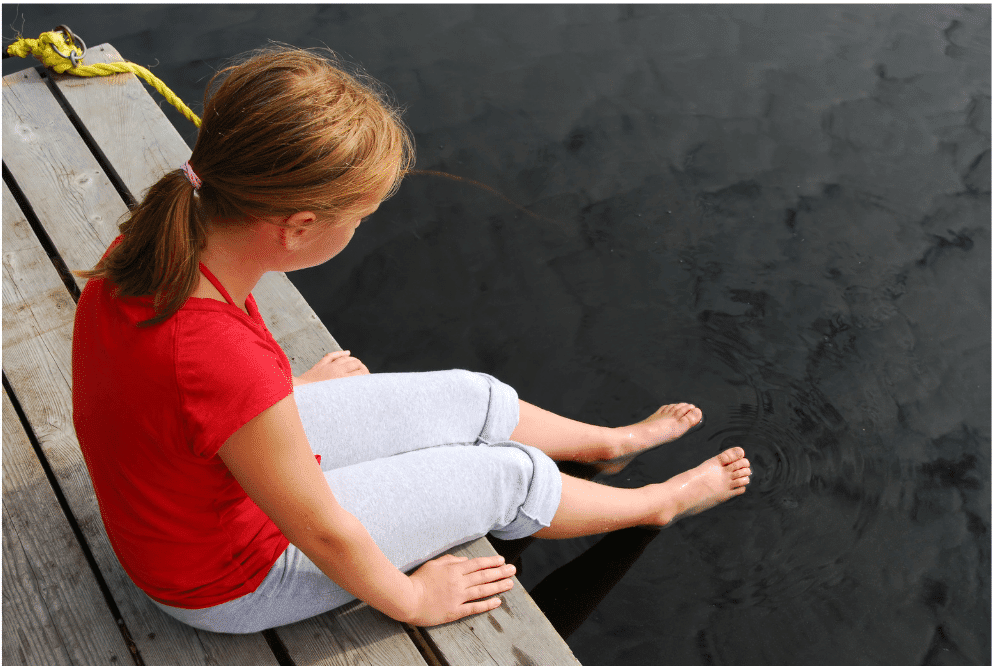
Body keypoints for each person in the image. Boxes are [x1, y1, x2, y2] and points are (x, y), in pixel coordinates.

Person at [71, 45, 751, 634]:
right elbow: (324, 532)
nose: (362, 228)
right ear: (298, 226)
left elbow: (170, 392)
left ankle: (609, 444)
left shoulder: (162, 242)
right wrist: (412, 598)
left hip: (201, 486)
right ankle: (656, 504)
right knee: (506, 477)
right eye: (360, 218)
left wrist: (285, 395)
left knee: (469, 398)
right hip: (229, 578)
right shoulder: (221, 363)